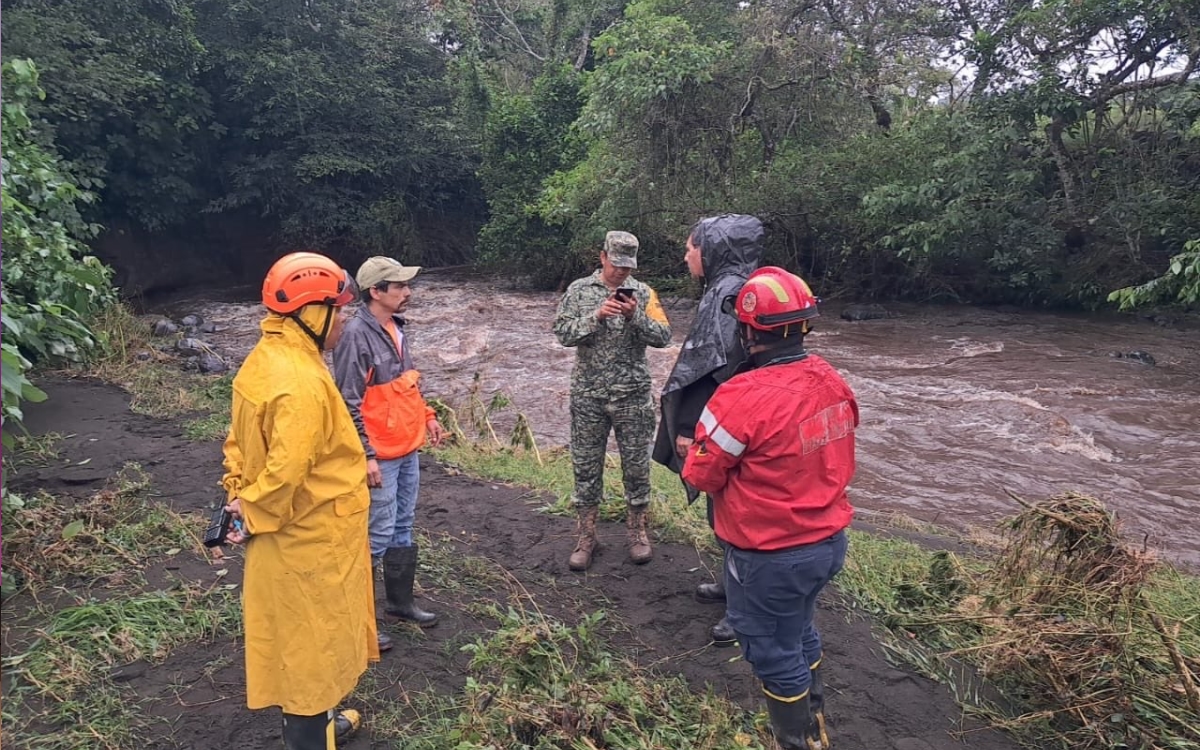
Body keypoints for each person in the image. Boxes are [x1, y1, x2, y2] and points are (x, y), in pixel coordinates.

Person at [682, 267, 857, 750]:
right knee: (800, 629)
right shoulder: (830, 379)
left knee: (771, 649)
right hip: (827, 544)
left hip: (769, 553)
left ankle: (794, 741)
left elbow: (701, 474)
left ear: (748, 330)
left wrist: (692, 450)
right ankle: (814, 723)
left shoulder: (739, 395)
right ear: (804, 326)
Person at [221, 251, 379, 750]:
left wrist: (238, 497)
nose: (345, 322)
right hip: (307, 541)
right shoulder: (303, 383)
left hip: (294, 537)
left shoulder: (265, 359)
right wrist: (251, 511)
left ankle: (323, 726)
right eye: (341, 311)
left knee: (304, 643)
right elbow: (285, 474)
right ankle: (313, 738)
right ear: (314, 313)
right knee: (311, 648)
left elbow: (239, 445)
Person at [652, 214, 762, 646]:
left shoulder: (727, 293)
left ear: (712, 249)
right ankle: (732, 588)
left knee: (737, 513)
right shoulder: (742, 287)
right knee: (725, 508)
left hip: (730, 421)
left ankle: (744, 609)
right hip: (740, 416)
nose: (686, 256)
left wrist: (687, 428)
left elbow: (709, 368)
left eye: (690, 247)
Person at [332, 256, 445, 643]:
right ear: (376, 292)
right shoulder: (354, 336)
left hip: (407, 447)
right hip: (380, 455)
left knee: (402, 527)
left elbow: (406, 384)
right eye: (399, 287)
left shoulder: (396, 327)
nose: (408, 292)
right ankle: (358, 619)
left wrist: (428, 416)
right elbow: (346, 402)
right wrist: (365, 455)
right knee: (376, 535)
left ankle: (399, 605)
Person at [553, 230, 672, 570]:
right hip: (589, 395)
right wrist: (596, 317)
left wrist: (636, 316)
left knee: (636, 466)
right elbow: (561, 333)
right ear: (603, 257)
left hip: (632, 395)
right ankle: (587, 536)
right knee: (586, 467)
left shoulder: (644, 293)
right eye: (616, 264)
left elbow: (664, 337)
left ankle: (637, 532)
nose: (621, 272)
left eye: (627, 267)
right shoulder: (579, 291)